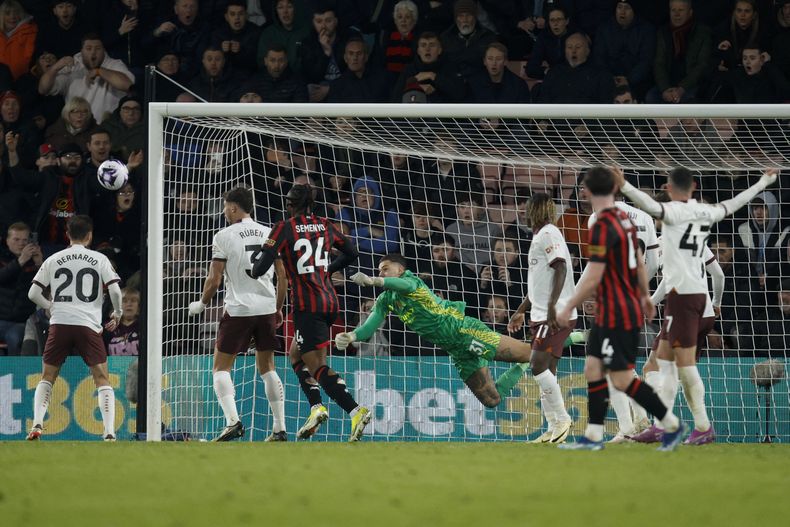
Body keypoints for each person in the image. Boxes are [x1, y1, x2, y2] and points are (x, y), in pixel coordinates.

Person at [616, 166, 780, 446]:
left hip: (684, 299)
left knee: (683, 367)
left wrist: (623, 184)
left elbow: (649, 205)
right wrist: (763, 181)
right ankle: (662, 423)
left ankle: (702, 426)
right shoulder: (706, 211)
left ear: (668, 188)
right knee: (663, 362)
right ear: (693, 185)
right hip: (695, 299)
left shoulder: (673, 213)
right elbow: (736, 202)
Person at [556, 166, 686, 451]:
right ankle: (594, 436)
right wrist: (645, 296)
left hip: (617, 308)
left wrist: (569, 305)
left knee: (621, 376)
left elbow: (595, 272)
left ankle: (670, 423)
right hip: (619, 305)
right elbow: (639, 259)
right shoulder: (624, 220)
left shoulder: (601, 223)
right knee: (594, 367)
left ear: (587, 191)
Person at [251, 184, 372, 442]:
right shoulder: (325, 224)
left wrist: (253, 267)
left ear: (290, 204)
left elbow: (260, 268)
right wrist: (327, 269)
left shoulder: (284, 227)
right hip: (330, 301)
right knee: (296, 354)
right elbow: (352, 252)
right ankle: (316, 408)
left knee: (316, 365)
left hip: (307, 306)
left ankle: (356, 410)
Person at [336, 253, 534, 408]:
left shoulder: (412, 281)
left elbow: (402, 285)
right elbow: (369, 327)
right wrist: (351, 335)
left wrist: (374, 281)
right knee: (492, 400)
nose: (381, 274)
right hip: (455, 350)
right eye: (379, 271)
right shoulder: (386, 299)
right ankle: (521, 366)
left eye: (385, 269)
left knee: (530, 354)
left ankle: (553, 339)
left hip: (464, 332)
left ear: (400, 269)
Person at [187, 187, 288, 442]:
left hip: (239, 309)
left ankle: (232, 422)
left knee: (221, 368)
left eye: (225, 206)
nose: (224, 211)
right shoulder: (269, 232)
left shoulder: (223, 236)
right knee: (268, 367)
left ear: (233, 207)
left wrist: (202, 303)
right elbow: (282, 276)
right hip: (266, 308)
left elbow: (215, 278)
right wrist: (277, 308)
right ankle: (279, 428)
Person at [26, 215, 122, 441]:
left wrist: (50, 306)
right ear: (89, 235)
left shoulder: (54, 259)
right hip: (87, 325)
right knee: (101, 378)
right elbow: (115, 290)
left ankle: (37, 423)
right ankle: (109, 431)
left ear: (67, 234)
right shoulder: (99, 259)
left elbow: (33, 293)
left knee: (48, 376)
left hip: (60, 323)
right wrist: (117, 312)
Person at [586, 191, 661, 442]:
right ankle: (638, 422)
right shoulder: (645, 217)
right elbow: (653, 263)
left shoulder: (597, 217)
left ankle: (629, 427)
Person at [508, 193, 577, 444]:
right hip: (541, 313)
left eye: (529, 208)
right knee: (547, 371)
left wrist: (551, 307)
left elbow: (561, 267)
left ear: (537, 210)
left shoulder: (549, 233)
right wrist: (521, 309)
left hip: (554, 314)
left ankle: (563, 419)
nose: (525, 213)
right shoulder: (539, 236)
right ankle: (552, 427)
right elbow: (539, 282)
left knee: (537, 364)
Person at [38, 33, 134, 124]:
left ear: (103, 50)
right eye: (88, 48)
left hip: (107, 129)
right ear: (82, 51)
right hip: (76, 128)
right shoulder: (72, 67)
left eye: (98, 48)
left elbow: (128, 85)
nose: (93, 52)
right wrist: (55, 67)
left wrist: (99, 71)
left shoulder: (114, 65)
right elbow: (43, 89)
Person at [0, 222, 43, 355]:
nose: (21, 244)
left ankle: (16, 368)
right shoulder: (2, 258)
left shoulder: (34, 262)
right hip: (1, 318)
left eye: (25, 240)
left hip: (22, 321)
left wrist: (40, 264)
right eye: (16, 239)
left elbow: (47, 288)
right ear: (7, 241)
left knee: (16, 338)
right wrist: (20, 261)